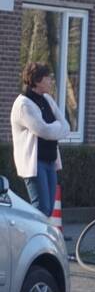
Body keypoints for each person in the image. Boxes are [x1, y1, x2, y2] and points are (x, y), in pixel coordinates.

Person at [10, 62, 70, 216]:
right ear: (37, 80)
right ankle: (30, 237)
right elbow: (43, 130)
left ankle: (41, 238)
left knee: (48, 209)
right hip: (35, 163)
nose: (51, 81)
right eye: (47, 77)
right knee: (40, 208)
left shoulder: (47, 99)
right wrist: (57, 127)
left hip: (50, 161)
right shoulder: (23, 104)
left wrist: (55, 127)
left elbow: (66, 126)